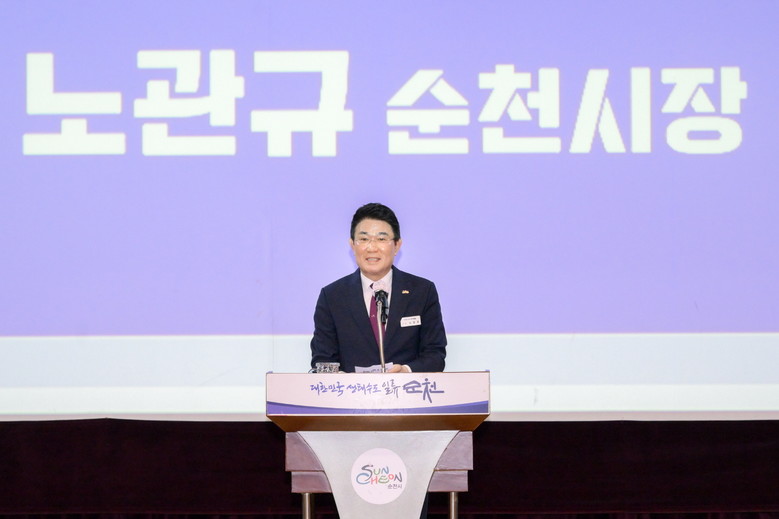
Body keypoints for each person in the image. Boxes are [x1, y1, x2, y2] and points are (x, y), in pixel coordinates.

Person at [310, 202, 447, 373]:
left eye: (381, 239)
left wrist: (406, 371)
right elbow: (322, 360)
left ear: (397, 245)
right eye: (364, 239)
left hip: (406, 388)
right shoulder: (332, 296)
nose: (372, 247)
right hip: (352, 390)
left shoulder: (422, 291)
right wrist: (345, 380)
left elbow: (435, 355)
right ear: (352, 245)